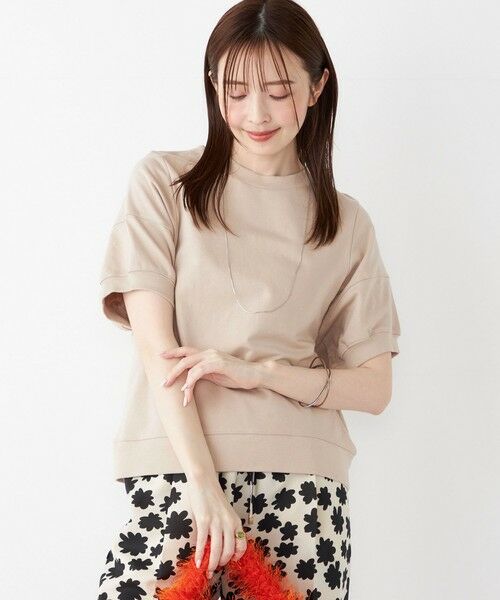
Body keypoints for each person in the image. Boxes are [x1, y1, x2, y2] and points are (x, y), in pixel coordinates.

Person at [96, 1, 401, 599]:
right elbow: (159, 351)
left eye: (279, 91)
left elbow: (375, 388)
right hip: (175, 476)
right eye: (234, 92)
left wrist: (259, 372)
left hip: (303, 485)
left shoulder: (346, 223)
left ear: (318, 87)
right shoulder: (164, 184)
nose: (255, 113)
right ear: (213, 87)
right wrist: (203, 484)